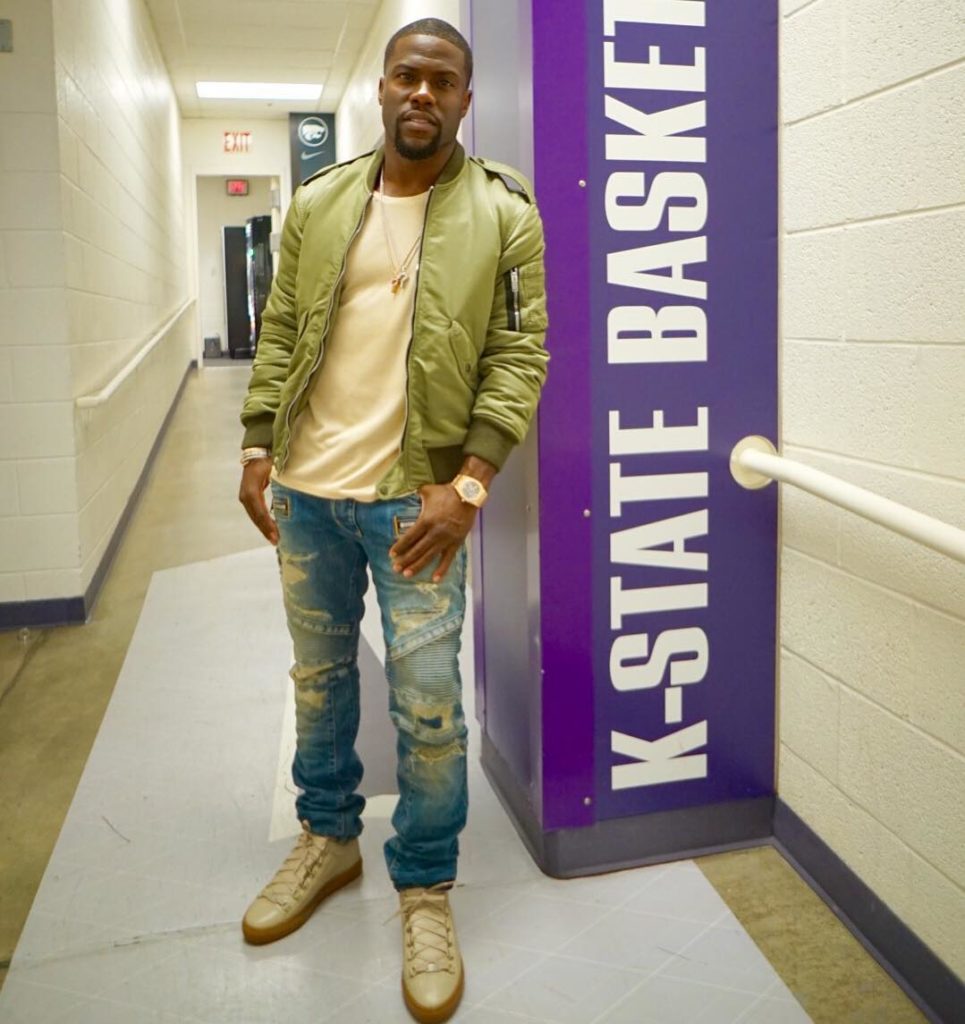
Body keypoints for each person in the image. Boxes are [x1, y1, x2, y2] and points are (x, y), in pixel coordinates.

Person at [237, 17, 547, 1024]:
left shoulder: (503, 213)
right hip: (308, 492)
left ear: (465, 100)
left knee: (427, 706)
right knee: (320, 681)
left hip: (416, 502)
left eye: (441, 81)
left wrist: (469, 486)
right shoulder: (321, 201)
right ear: (381, 88)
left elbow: (520, 354)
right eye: (406, 75)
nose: (421, 92)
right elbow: (281, 329)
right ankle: (328, 838)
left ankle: (424, 882)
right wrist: (255, 444)